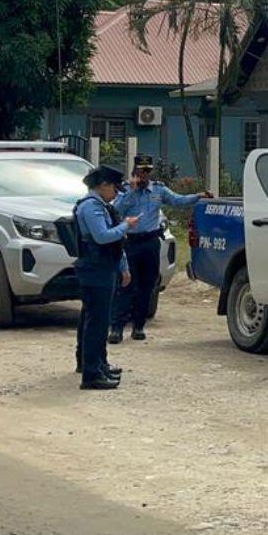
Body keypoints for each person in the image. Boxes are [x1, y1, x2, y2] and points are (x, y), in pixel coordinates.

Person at [109, 155, 211, 344]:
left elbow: (178, 200)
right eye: (142, 170)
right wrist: (132, 191)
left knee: (146, 286)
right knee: (126, 285)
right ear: (135, 170)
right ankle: (116, 328)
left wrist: (198, 196)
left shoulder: (158, 189)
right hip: (131, 243)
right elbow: (116, 211)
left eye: (148, 170)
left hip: (150, 242)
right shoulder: (125, 190)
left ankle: (139, 327)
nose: (145, 174)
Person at [74, 165, 135, 390]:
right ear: (103, 185)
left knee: (96, 319)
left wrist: (123, 266)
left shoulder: (100, 205)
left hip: (103, 267)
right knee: (96, 322)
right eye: (114, 189)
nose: (116, 194)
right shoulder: (91, 207)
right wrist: (125, 226)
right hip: (95, 269)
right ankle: (91, 373)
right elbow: (102, 236)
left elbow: (114, 244)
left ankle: (98, 365)